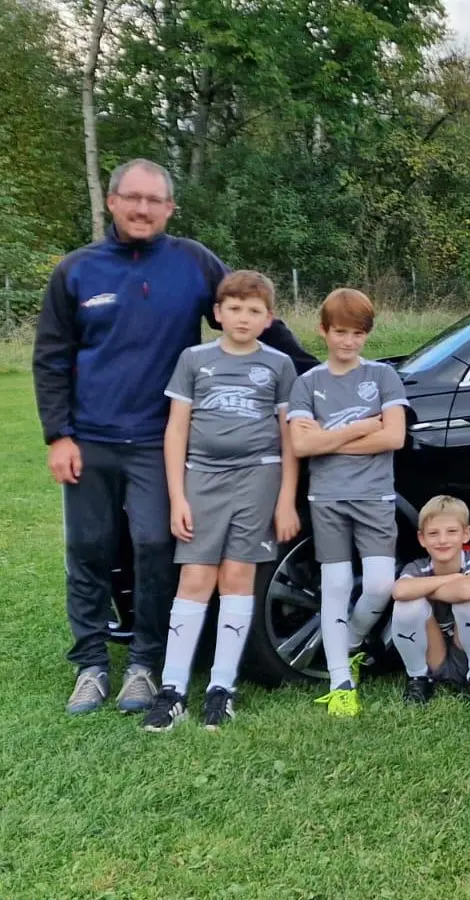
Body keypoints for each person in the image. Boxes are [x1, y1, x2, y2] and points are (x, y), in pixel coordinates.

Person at [34, 158, 314, 716]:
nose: (142, 209)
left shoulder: (192, 263)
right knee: (88, 550)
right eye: (132, 198)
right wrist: (57, 436)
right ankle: (90, 666)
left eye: (154, 201)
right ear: (112, 202)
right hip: (90, 439)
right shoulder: (76, 270)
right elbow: (51, 356)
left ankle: (144, 664)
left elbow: (255, 317)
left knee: (156, 547)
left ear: (170, 209)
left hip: (159, 443)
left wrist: (321, 376)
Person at [141, 271, 300, 731]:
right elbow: (176, 429)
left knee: (237, 575)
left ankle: (221, 688)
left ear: (268, 319)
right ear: (218, 313)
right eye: (234, 309)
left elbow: (289, 438)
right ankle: (171, 690)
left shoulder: (278, 365)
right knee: (195, 576)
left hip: (259, 477)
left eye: (254, 311)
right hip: (202, 479)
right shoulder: (194, 360)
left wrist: (286, 499)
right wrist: (177, 497)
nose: (243, 318)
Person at [286, 289, 408, 717]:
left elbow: (394, 436)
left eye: (357, 334)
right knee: (335, 586)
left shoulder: (382, 378)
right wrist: (360, 427)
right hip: (328, 497)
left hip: (374, 495)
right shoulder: (309, 383)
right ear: (324, 331)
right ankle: (341, 679)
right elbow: (301, 444)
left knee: (378, 585)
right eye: (340, 332)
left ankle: (352, 640)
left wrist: (327, 441)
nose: (348, 341)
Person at [389, 496, 470, 704]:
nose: (442, 540)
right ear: (422, 539)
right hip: (434, 655)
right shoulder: (417, 567)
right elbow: (400, 591)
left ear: (466, 534)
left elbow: (467, 590)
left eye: (451, 532)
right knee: (406, 605)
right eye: (433, 533)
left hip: (467, 654)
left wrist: (424, 589)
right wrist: (453, 579)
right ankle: (419, 678)